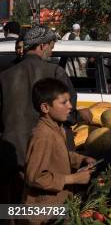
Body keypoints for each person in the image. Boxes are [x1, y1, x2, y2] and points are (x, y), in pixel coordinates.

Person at [0, 26, 81, 204]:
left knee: (14, 213)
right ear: (42, 46)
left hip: (13, 159)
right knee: (52, 213)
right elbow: (70, 116)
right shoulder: (55, 72)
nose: (52, 51)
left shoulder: (4, 77)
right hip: (50, 162)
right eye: (51, 46)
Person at [24, 78, 95, 209]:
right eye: (64, 102)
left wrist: (81, 159)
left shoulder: (56, 128)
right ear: (45, 107)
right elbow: (34, 177)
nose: (70, 106)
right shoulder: (42, 135)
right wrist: (73, 179)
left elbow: (59, 155)